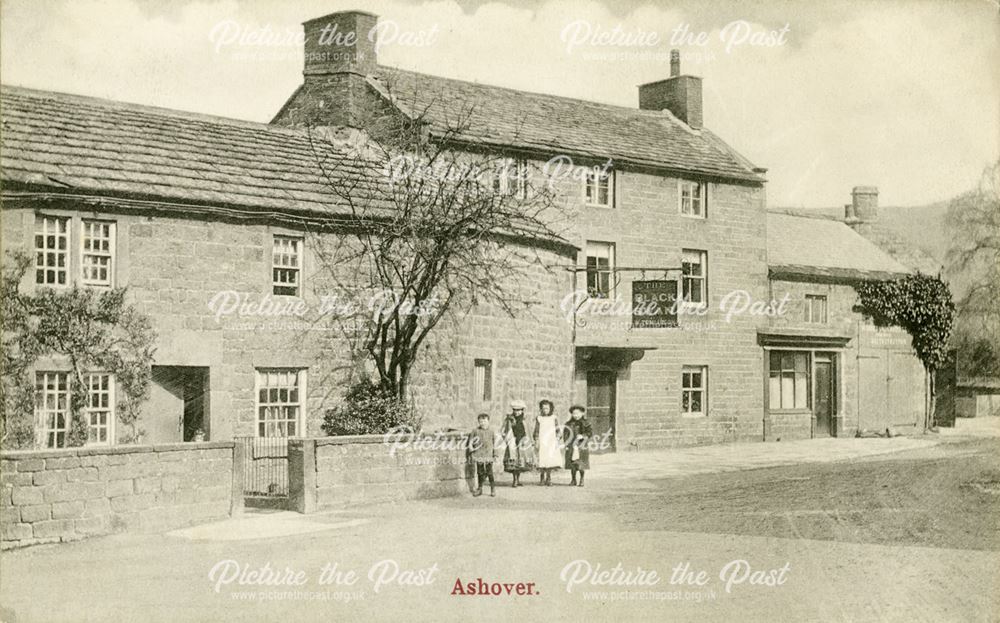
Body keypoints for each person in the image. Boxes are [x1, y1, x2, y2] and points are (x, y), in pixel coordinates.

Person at [501, 400, 535, 487]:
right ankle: (515, 480)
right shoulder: (509, 419)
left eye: (519, 410)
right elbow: (504, 430)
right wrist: (506, 438)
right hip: (513, 441)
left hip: (523, 442)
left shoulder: (525, 419)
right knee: (513, 461)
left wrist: (530, 441)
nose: (517, 412)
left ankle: (518, 479)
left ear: (522, 410)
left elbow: (529, 430)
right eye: (515, 410)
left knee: (521, 462)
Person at [533, 399, 561, 486]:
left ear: (550, 409)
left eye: (547, 408)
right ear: (541, 409)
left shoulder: (553, 418)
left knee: (549, 459)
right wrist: (537, 439)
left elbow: (557, 429)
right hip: (542, 441)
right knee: (542, 459)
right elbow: (536, 430)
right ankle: (542, 477)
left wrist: (558, 437)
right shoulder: (539, 418)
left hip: (551, 441)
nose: (545, 410)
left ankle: (548, 478)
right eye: (543, 408)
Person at [468, 413, 497, 497]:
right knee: (480, 472)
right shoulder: (475, 431)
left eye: (484, 421)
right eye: (481, 421)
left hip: (488, 455)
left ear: (488, 421)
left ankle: (492, 488)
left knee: (489, 472)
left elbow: (495, 444)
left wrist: (495, 455)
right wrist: (471, 448)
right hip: (479, 454)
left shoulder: (491, 432)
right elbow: (470, 442)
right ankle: (480, 488)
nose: (483, 423)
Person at [564, 405, 592, 487]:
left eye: (578, 413)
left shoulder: (587, 423)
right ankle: (573, 479)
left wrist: (583, 436)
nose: (576, 415)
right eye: (574, 414)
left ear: (582, 413)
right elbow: (565, 434)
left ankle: (582, 479)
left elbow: (590, 433)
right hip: (571, 445)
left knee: (581, 464)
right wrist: (566, 444)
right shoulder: (568, 424)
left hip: (581, 446)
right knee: (572, 464)